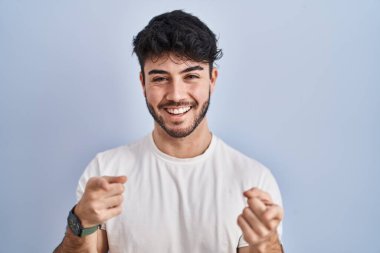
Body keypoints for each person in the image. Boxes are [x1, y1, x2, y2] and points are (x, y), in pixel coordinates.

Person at [54, 10, 284, 253]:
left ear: (212, 80)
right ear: (143, 83)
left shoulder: (253, 179)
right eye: (160, 78)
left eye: (191, 76)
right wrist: (81, 222)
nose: (176, 95)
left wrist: (265, 244)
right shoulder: (106, 171)